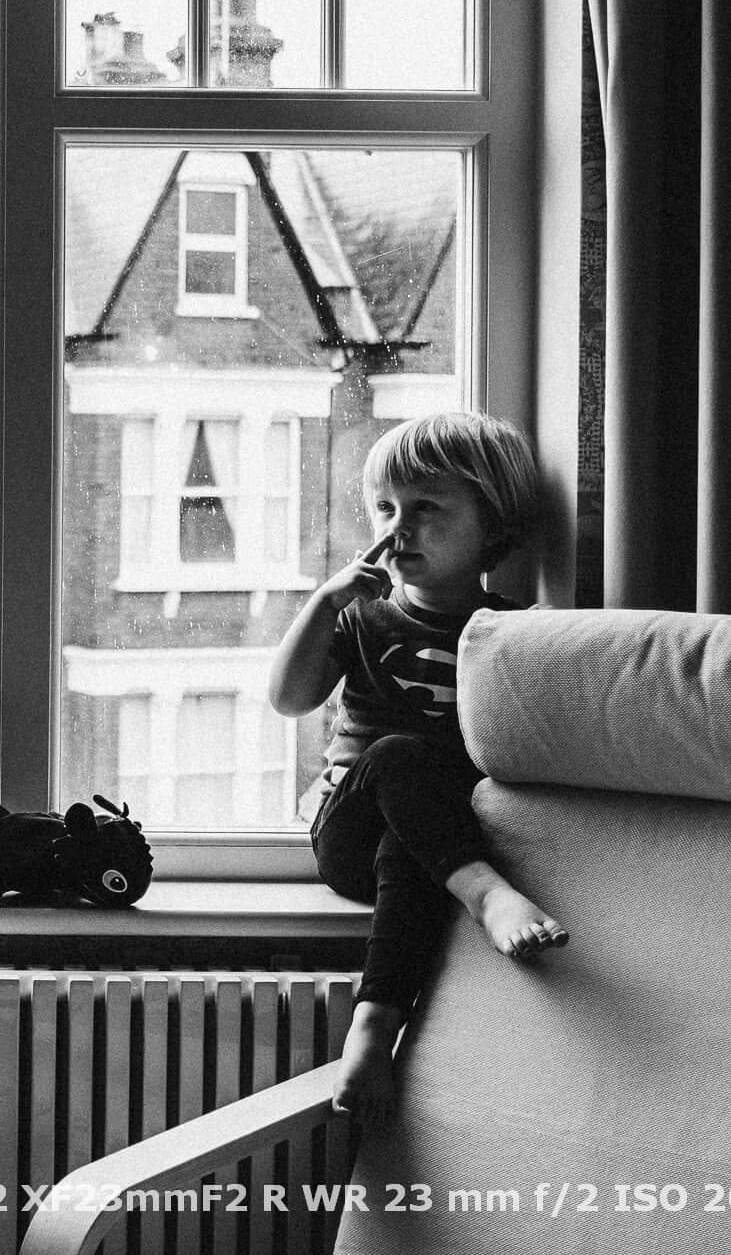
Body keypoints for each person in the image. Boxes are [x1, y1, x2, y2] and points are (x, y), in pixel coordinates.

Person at [265, 410, 565, 1124]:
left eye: (426, 508)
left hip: (436, 846)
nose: (399, 529)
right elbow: (288, 698)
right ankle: (486, 896)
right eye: (385, 508)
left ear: (493, 528)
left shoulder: (514, 633)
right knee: (398, 753)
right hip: (350, 834)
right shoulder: (363, 619)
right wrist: (324, 603)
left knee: (421, 833)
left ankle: (373, 1026)